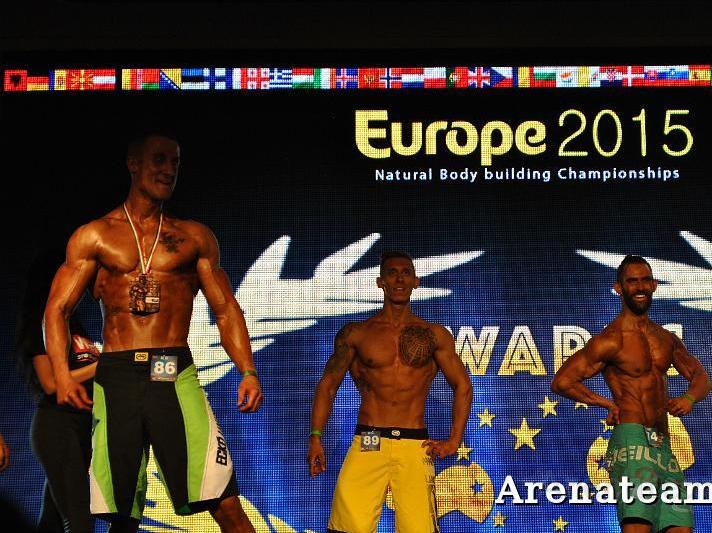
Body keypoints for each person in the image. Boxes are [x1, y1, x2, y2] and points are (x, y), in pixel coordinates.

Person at [44, 132, 262, 533]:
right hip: (117, 375)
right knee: (121, 514)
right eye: (159, 160)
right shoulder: (95, 236)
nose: (168, 170)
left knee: (223, 499)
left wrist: (247, 370)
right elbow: (57, 309)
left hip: (172, 370)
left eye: (175, 163)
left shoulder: (193, 237)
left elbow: (226, 308)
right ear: (133, 164)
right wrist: (61, 374)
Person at [307, 251, 473, 533]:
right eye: (392, 273)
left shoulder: (434, 335)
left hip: (414, 444)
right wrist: (315, 437)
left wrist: (454, 440)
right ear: (380, 282)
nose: (399, 279)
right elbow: (328, 385)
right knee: (347, 528)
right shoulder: (357, 334)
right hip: (370, 439)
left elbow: (463, 385)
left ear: (416, 282)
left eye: (406, 273)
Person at [551, 255, 712, 533]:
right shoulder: (611, 339)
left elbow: (701, 378)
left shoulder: (666, 339)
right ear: (619, 288)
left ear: (654, 285)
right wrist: (605, 403)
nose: (640, 287)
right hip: (631, 438)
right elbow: (562, 381)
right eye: (632, 281)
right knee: (638, 527)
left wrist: (689, 398)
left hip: (663, 443)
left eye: (645, 280)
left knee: (681, 528)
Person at [15, 250, 99, 533]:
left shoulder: (74, 325)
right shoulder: (38, 325)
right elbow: (51, 384)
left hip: (84, 427)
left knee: (52, 521)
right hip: (58, 425)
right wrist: (103, 365)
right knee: (79, 519)